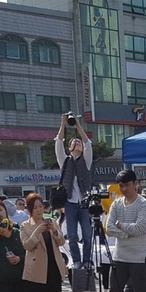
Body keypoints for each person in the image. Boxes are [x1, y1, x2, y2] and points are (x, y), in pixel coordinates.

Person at [105, 169, 146, 292]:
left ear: (135, 184)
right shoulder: (116, 204)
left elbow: (140, 228)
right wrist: (126, 233)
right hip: (119, 255)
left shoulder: (143, 203)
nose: (124, 188)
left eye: (127, 185)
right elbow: (109, 227)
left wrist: (120, 225)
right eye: (121, 185)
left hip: (139, 256)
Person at [20, 193, 68, 292]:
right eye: (35, 207)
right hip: (37, 270)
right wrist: (38, 231)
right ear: (29, 209)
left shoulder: (51, 221)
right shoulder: (25, 225)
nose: (39, 210)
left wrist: (54, 230)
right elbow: (27, 245)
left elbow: (61, 242)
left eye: (41, 206)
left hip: (53, 267)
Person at [55, 113, 94, 269]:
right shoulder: (64, 161)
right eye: (74, 142)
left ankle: (87, 260)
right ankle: (77, 261)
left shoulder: (86, 160)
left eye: (79, 142)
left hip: (84, 202)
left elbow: (88, 143)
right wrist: (63, 124)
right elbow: (58, 143)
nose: (78, 143)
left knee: (87, 235)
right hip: (69, 203)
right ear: (70, 148)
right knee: (71, 236)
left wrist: (77, 125)